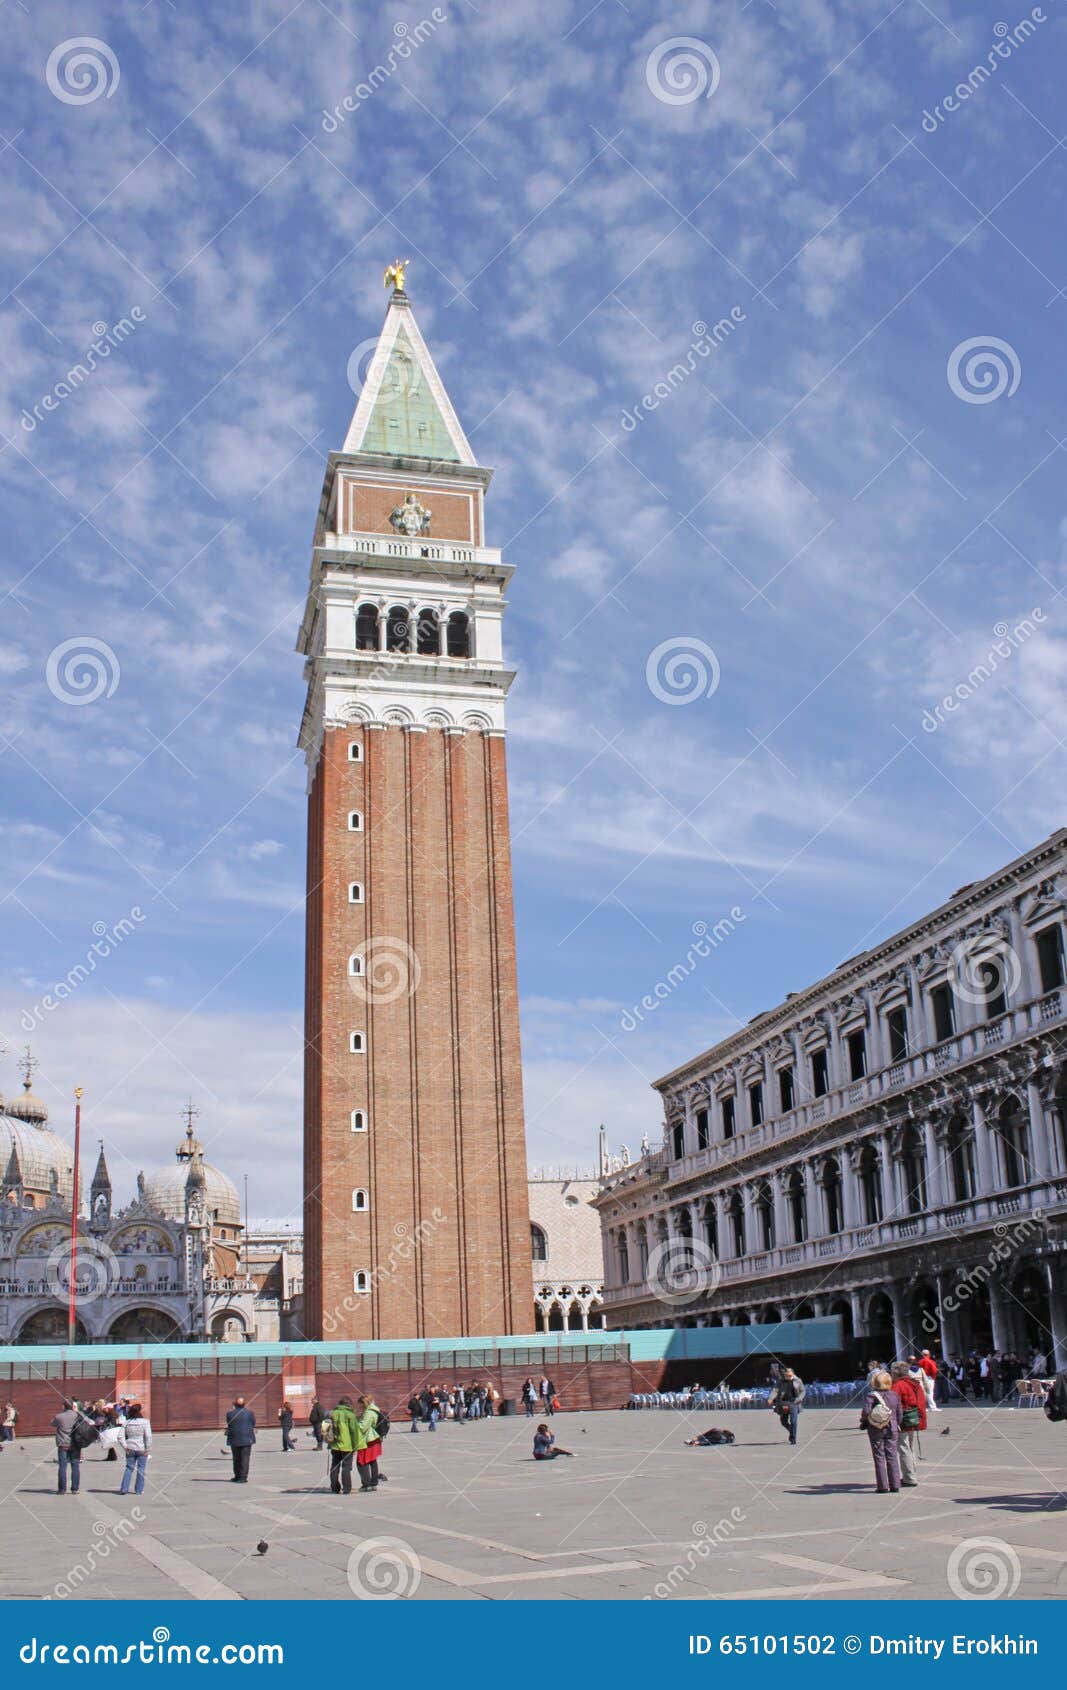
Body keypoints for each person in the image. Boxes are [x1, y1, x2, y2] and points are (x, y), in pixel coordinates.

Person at [860, 1369, 903, 1493]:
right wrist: (896, 1423)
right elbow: (899, 1413)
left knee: (879, 1456)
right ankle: (895, 1484)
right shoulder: (894, 1395)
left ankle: (883, 1486)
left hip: (876, 1428)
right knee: (892, 1456)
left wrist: (864, 1422)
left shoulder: (871, 1395)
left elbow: (866, 1412)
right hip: (892, 1428)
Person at [890, 1361, 924, 1487]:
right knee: (910, 1447)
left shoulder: (898, 1385)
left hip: (902, 1420)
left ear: (895, 1372)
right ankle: (912, 1474)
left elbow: (892, 1403)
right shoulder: (914, 1383)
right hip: (913, 1419)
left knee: (903, 1448)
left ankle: (909, 1478)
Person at [119, 1402, 152, 1496]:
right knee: (141, 1469)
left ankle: (124, 1489)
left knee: (129, 1468)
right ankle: (139, 1490)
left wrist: (125, 1447)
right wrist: (148, 1449)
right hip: (141, 1448)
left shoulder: (126, 1422)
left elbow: (120, 1437)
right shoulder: (145, 1422)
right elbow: (148, 1436)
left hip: (130, 1447)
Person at [328, 1396, 359, 1494]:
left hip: (334, 1444)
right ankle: (346, 1488)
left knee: (335, 1466)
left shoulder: (332, 1413)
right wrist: (355, 1446)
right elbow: (354, 1432)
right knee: (346, 1467)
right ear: (349, 1404)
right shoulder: (350, 1415)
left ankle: (334, 1487)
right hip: (347, 1445)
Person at [52, 1400, 84, 1495]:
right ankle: (75, 1489)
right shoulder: (78, 1415)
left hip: (63, 1444)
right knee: (75, 1466)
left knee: (62, 1466)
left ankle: (62, 1489)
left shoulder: (59, 1416)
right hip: (75, 1444)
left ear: (63, 1406)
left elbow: (52, 1423)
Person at [768, 1367, 805, 1445]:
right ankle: (792, 1431)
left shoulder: (798, 1380)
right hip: (783, 1403)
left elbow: (803, 1391)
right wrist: (771, 1398)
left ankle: (793, 1439)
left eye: (788, 1373)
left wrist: (799, 1399)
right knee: (783, 1421)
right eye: (785, 1373)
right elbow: (775, 1390)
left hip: (794, 1403)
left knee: (793, 1421)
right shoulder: (780, 1381)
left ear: (792, 1373)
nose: (786, 1375)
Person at [225, 1397, 256, 1483]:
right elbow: (253, 1423)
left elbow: (228, 1423)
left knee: (236, 1458)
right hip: (247, 1438)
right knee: (245, 1458)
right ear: (244, 1404)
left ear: (234, 1404)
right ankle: (243, 1477)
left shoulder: (229, 1414)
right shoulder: (250, 1413)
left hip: (235, 1438)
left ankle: (237, 1476)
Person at [356, 1394, 384, 1492]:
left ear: (364, 1403)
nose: (359, 1407)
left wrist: (355, 1423)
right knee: (372, 1461)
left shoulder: (368, 1412)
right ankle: (373, 1483)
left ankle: (367, 1484)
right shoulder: (375, 1410)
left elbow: (362, 1427)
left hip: (368, 1439)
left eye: (360, 1405)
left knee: (361, 1461)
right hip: (374, 1438)